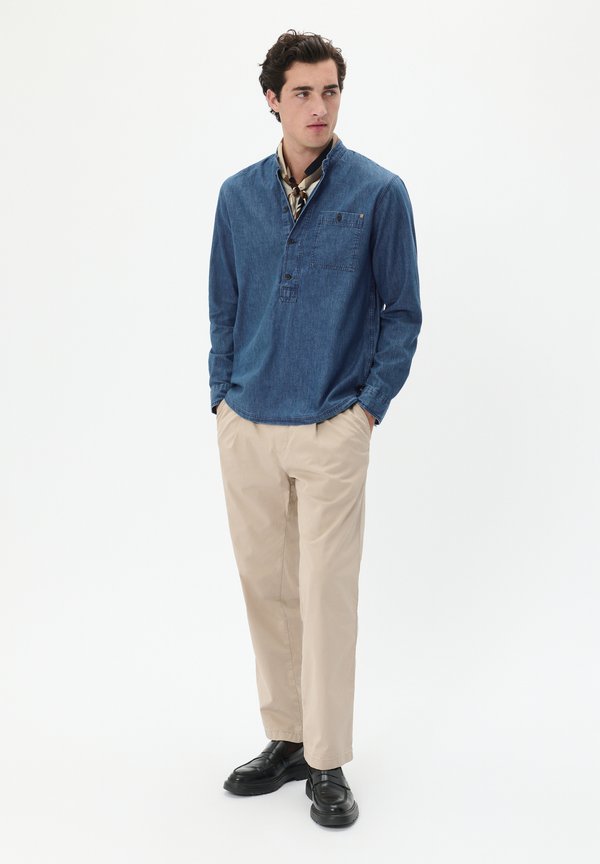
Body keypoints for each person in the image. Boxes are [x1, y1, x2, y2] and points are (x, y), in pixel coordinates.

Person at [208, 29, 421, 828]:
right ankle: (288, 738)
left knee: (325, 596)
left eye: (330, 91)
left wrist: (366, 410)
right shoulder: (236, 196)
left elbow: (402, 312)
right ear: (273, 99)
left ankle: (327, 761)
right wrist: (222, 398)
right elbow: (223, 305)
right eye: (302, 92)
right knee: (267, 592)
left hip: (333, 425)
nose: (319, 106)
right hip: (249, 425)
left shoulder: (378, 192)